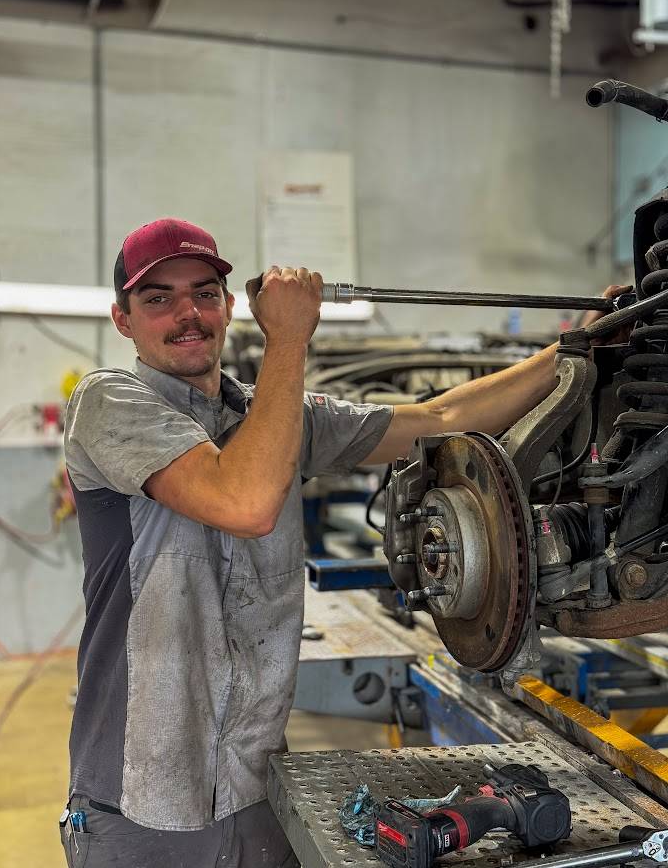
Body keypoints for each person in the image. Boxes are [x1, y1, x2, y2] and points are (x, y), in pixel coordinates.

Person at [61, 217, 623, 868]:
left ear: (227, 303)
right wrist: (289, 341)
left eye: (203, 293)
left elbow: (440, 418)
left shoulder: (272, 414)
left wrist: (577, 349)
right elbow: (242, 500)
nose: (187, 313)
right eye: (157, 297)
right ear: (122, 319)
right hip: (138, 803)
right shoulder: (108, 402)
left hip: (251, 786)